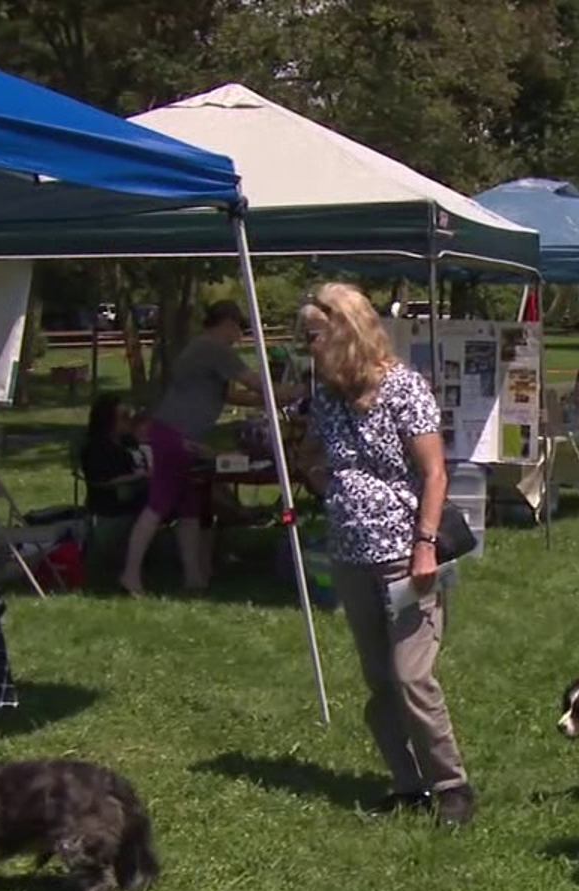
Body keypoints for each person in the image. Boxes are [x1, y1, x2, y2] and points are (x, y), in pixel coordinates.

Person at [297, 284, 476, 827]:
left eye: (312, 336)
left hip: (405, 552)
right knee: (378, 678)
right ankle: (407, 783)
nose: (305, 347)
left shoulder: (403, 388)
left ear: (345, 332)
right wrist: (325, 482)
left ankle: (452, 785)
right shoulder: (326, 394)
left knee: (410, 675)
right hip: (350, 552)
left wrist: (424, 546)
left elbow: (434, 472)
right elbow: (310, 452)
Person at [119, 300, 265, 596]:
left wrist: (279, 398)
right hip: (174, 434)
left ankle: (193, 577)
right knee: (158, 505)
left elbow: (232, 396)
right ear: (227, 323)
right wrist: (294, 391)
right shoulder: (215, 349)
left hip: (180, 434)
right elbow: (254, 383)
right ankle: (130, 574)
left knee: (188, 509)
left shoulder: (200, 348)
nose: (240, 335)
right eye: (239, 327)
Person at [80, 393, 149, 518]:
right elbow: (107, 482)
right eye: (125, 417)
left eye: (129, 415)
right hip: (115, 503)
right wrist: (143, 477)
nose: (130, 420)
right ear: (108, 421)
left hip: (138, 494)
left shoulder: (126, 440)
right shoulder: (96, 450)